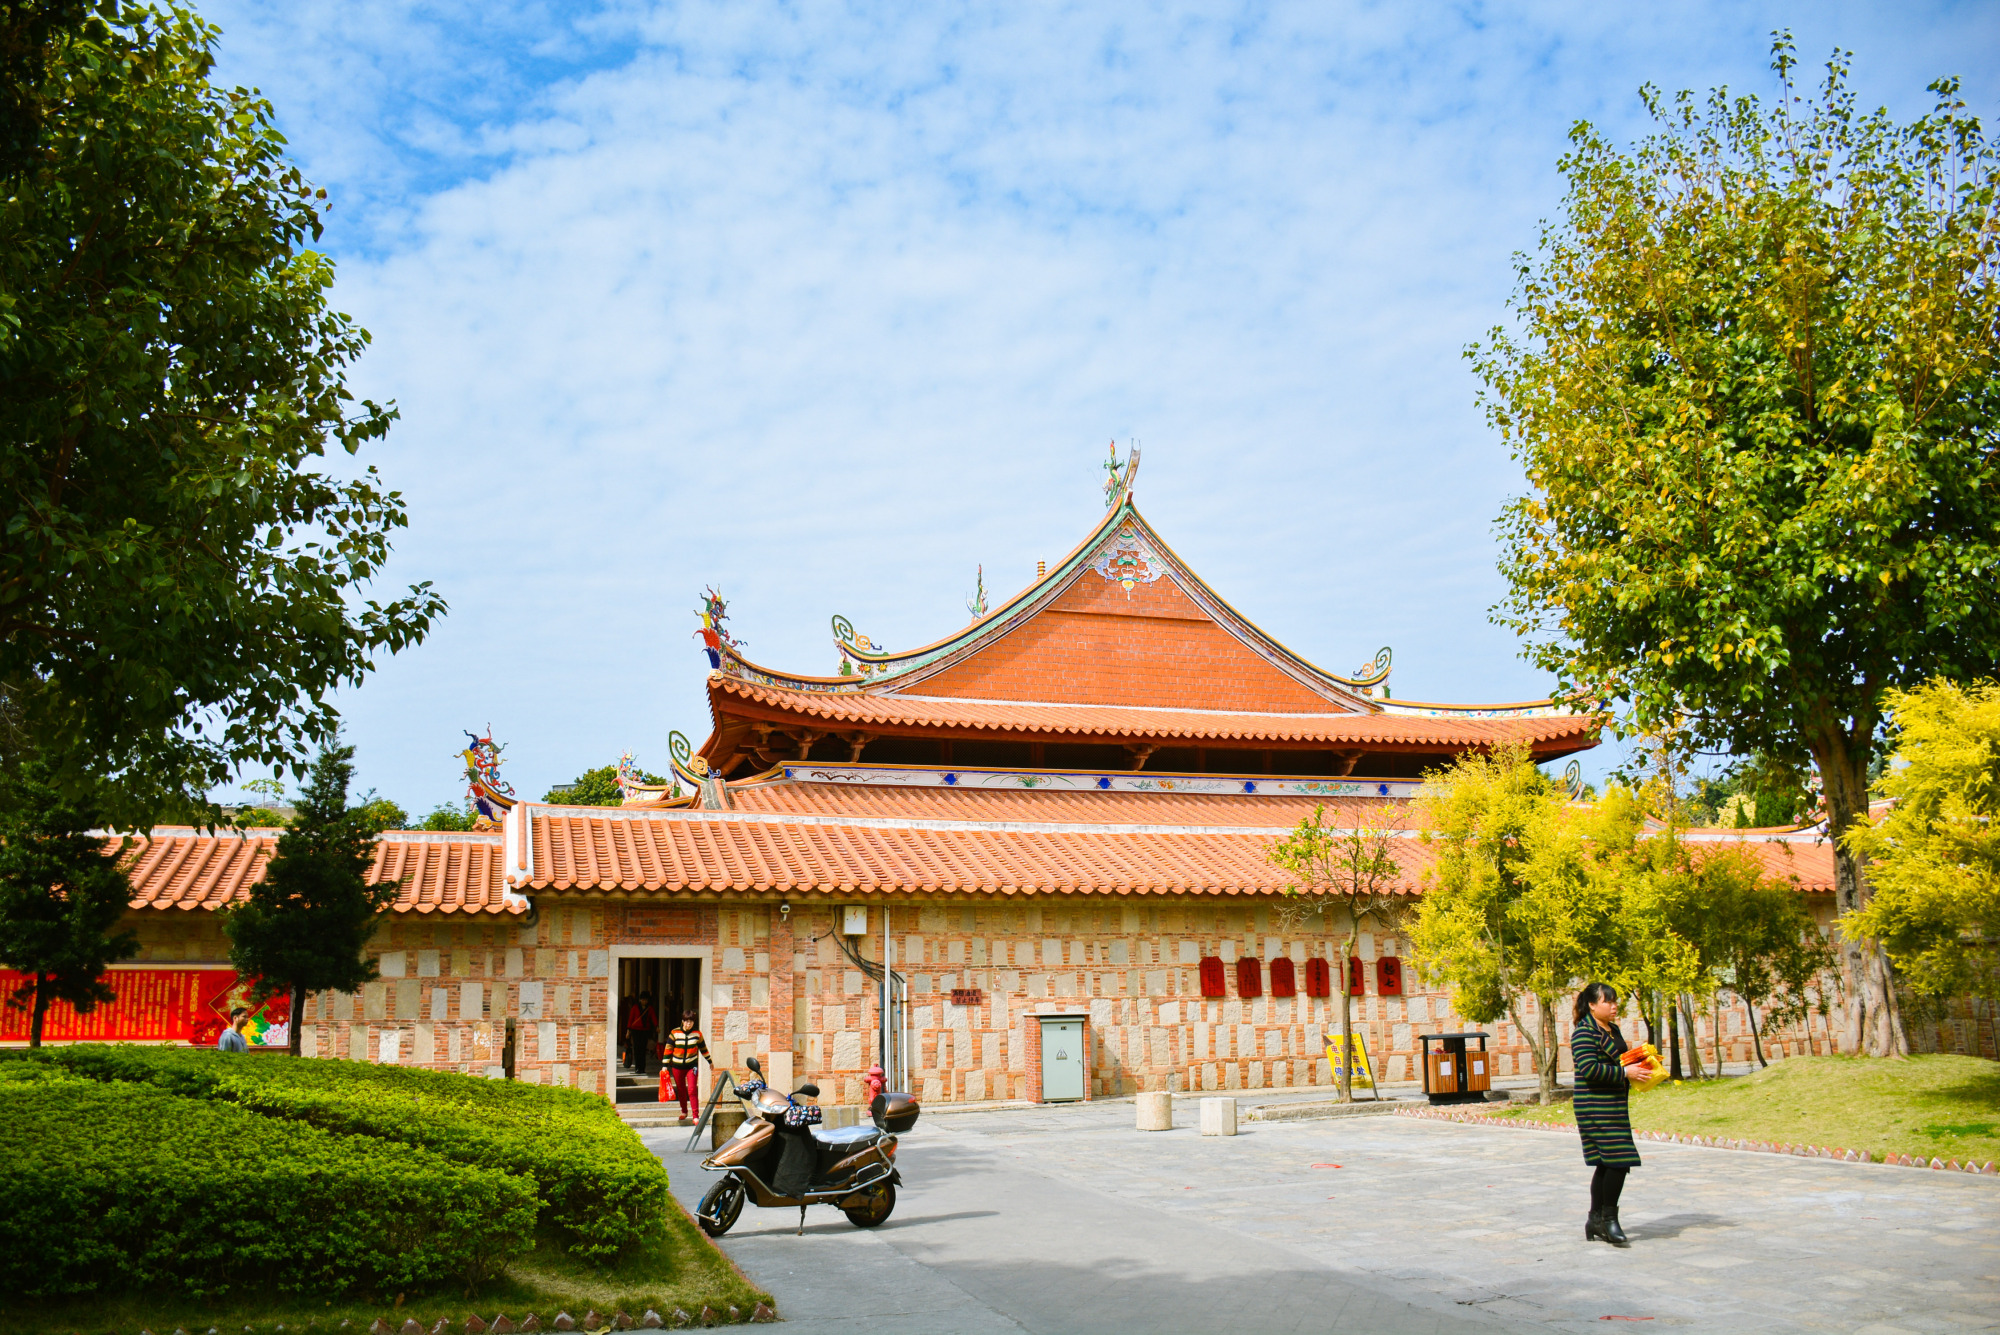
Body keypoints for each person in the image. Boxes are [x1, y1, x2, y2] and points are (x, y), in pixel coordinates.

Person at [1573, 980, 1641, 1247]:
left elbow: (1619, 1059)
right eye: (1607, 1002)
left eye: (1615, 1002)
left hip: (1613, 1103)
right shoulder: (1583, 1034)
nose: (1614, 1006)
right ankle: (1609, 1220)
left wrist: (1640, 1065)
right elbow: (1589, 1069)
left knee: (1607, 1162)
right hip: (1594, 1106)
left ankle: (1596, 1219)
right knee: (1619, 1159)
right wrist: (1625, 1073)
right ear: (1592, 1005)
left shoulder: (1612, 1030)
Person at [662, 1010, 711, 1126]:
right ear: (683, 1021)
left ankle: (695, 1115)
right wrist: (664, 1065)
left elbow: (703, 1049)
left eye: (691, 1022)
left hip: (691, 1066)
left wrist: (710, 1061)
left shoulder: (697, 1034)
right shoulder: (674, 1033)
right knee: (681, 1089)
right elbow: (668, 1049)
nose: (689, 1024)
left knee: (692, 1089)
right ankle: (684, 1111)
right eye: (687, 1021)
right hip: (677, 1066)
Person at [623, 991, 655, 1072]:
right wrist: (628, 1031)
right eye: (643, 1000)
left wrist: (657, 1026)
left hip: (645, 1031)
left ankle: (642, 1068)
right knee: (637, 1049)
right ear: (640, 1000)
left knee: (643, 1049)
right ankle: (637, 1067)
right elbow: (631, 1019)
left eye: (646, 1000)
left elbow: (653, 1018)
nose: (644, 1001)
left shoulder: (649, 1008)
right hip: (635, 1030)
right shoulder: (635, 1007)